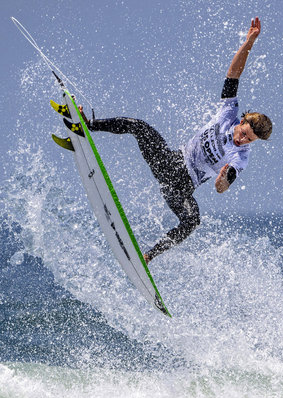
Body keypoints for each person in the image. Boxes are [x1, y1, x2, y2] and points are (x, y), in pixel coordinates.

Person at [79, 17, 271, 263]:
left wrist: (222, 181)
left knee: (193, 221)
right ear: (242, 121)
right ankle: (88, 125)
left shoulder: (240, 158)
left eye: (250, 140)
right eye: (244, 133)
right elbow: (233, 74)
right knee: (139, 127)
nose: (244, 141)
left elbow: (222, 187)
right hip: (170, 163)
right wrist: (248, 44)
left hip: (181, 188)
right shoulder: (228, 113)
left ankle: (147, 256)